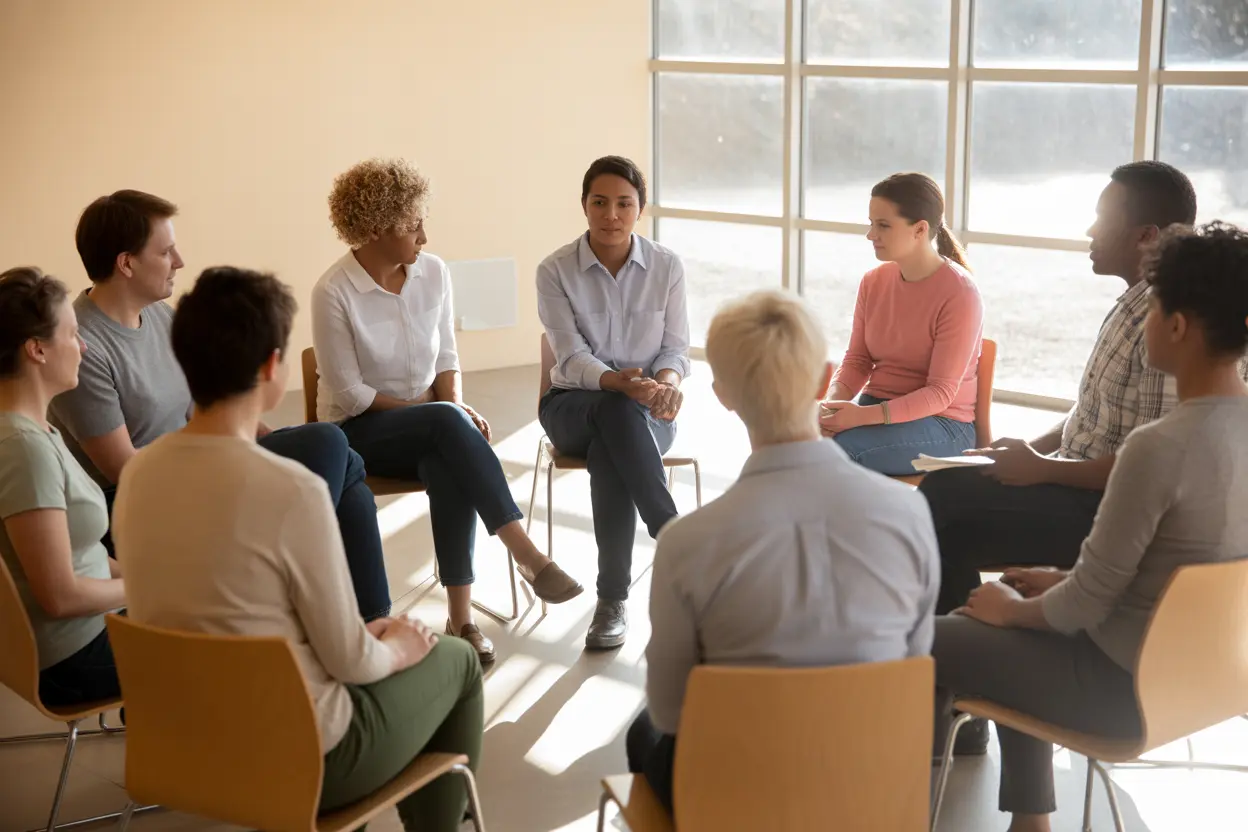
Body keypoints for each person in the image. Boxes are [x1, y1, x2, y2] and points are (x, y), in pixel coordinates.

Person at [114, 267, 483, 832]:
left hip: (182, 746)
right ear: (271, 367)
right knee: (454, 660)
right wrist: (400, 646)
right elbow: (351, 662)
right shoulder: (292, 490)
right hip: (304, 758)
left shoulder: (138, 476)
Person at [932, 221, 1248, 832]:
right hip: (1204, 681)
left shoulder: (1159, 447)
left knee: (924, 634)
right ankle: (1030, 820)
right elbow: (1175, 575)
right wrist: (1056, 582)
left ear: (1177, 326)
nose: (1146, 320)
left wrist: (1008, 608)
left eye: (1153, 308)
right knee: (1020, 603)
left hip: (1117, 691)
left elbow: (1081, 611)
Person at [627, 290, 939, 813]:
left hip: (738, 798)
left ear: (723, 395)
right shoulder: (908, 513)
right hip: (869, 786)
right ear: (823, 379)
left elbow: (671, 710)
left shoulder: (687, 542)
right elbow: (912, 660)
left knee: (643, 730)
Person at [48, 190, 392, 621]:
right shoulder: (84, 347)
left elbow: (203, 407)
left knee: (343, 469)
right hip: (146, 506)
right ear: (126, 263)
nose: (180, 260)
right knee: (332, 447)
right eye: (166, 250)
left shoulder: (158, 316)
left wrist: (270, 440)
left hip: (200, 470)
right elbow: (128, 473)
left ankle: (368, 623)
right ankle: (343, 615)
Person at [312, 158, 582, 664]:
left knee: (447, 456)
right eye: (412, 224)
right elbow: (350, 395)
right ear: (375, 227)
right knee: (445, 425)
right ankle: (524, 552)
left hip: (429, 428)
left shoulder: (433, 273)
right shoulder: (334, 292)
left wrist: (450, 406)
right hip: (358, 433)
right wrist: (441, 413)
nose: (424, 236)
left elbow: (446, 357)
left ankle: (462, 622)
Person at [920, 162, 1205, 625]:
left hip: (1105, 509)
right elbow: (1092, 414)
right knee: (946, 525)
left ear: (1145, 236)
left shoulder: (1167, 324)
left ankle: (936, 652)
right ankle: (955, 647)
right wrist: (1033, 451)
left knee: (943, 498)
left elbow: (1148, 464)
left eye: (1102, 218)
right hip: (1072, 483)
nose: (1089, 230)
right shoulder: (1132, 305)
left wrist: (1040, 469)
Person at [536, 155, 691, 650]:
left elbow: (676, 349)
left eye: (624, 204)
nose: (611, 214)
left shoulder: (667, 266)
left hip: (646, 412)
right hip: (572, 406)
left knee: (614, 443)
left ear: (640, 210)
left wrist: (665, 383)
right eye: (600, 202)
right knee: (614, 413)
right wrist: (620, 384)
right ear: (583, 206)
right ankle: (672, 535)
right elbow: (571, 355)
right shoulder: (555, 270)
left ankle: (611, 603)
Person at [0, 267, 123, 707]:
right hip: (75, 657)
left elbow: (82, 555)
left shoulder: (36, 430)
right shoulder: (21, 446)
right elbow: (60, 594)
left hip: (93, 630)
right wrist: (150, 588)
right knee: (240, 627)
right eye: (72, 334)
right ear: (37, 350)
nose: (83, 345)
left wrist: (153, 576)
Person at [820, 172, 983, 475]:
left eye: (883, 225)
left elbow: (940, 393)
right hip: (876, 408)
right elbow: (858, 360)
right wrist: (831, 407)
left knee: (837, 453)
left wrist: (860, 417)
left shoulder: (960, 293)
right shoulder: (873, 282)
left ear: (920, 230)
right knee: (799, 443)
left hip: (944, 427)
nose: (871, 235)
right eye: (871, 223)